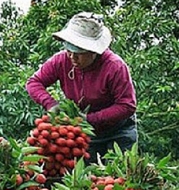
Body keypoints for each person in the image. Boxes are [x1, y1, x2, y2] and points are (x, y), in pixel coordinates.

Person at [25, 12, 138, 162]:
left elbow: (127, 105)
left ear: (94, 52)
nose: (72, 58)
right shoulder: (61, 61)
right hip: (86, 133)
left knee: (120, 174)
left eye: (79, 53)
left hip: (119, 131)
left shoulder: (114, 67)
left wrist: (90, 119)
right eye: (69, 51)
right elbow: (33, 83)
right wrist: (50, 104)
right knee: (90, 177)